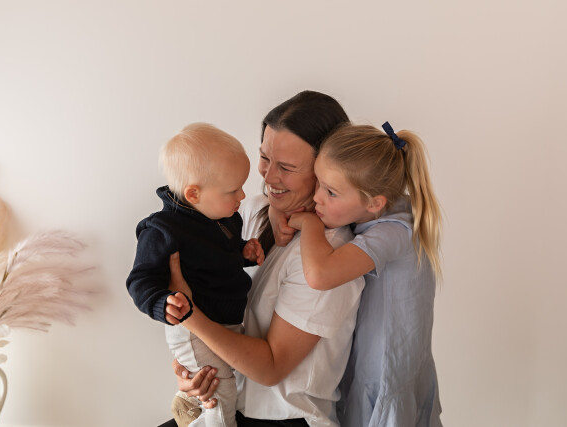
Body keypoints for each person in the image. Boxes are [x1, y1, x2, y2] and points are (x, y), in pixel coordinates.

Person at [162, 90, 363, 427]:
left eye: (286, 167)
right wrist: (195, 371)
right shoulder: (251, 211)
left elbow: (270, 368)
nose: (268, 178)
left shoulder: (331, 261)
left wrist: (188, 317)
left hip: (284, 418)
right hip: (231, 403)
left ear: (326, 171)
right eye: (265, 158)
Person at [279, 122, 443, 426]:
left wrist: (311, 224)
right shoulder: (380, 208)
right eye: (318, 183)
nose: (317, 198)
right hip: (371, 365)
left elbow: (320, 275)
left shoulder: (394, 232)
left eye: (331, 192)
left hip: (385, 373)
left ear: (374, 202)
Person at [126, 123, 265, 427]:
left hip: (224, 324)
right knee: (220, 389)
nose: (243, 195)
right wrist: (162, 303)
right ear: (193, 194)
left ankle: (188, 404)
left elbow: (217, 257)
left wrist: (243, 252)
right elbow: (140, 280)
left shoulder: (223, 217)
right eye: (233, 190)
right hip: (192, 328)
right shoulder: (162, 230)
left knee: (223, 377)